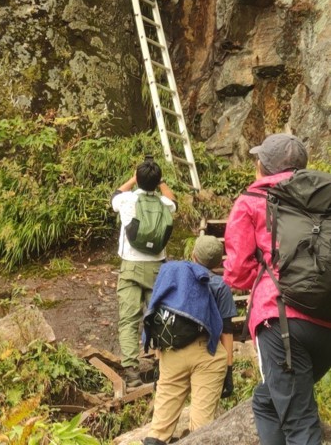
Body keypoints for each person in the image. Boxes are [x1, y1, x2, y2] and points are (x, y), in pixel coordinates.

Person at [224, 133, 331, 445]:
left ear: (264, 167)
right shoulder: (324, 201)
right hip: (325, 319)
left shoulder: (252, 201)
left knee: (300, 424)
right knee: (267, 401)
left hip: (281, 321)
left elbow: (238, 274)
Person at [142, 236, 236, 445]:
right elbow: (226, 332)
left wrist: (159, 361)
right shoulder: (220, 286)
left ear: (193, 255)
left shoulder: (173, 277)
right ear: (219, 263)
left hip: (172, 354)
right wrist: (228, 370)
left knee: (159, 429)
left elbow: (159, 318)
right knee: (201, 429)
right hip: (207, 356)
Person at [111, 159, 177, 388]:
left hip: (130, 266)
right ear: (157, 182)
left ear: (138, 179)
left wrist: (134, 178)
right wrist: (162, 182)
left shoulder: (127, 200)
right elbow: (173, 200)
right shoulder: (164, 203)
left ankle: (131, 371)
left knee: (129, 319)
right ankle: (163, 367)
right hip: (157, 269)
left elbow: (116, 194)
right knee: (159, 318)